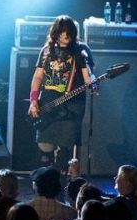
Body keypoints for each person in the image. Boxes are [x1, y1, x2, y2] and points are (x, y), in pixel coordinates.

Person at [27, 15, 98, 173]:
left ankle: (58, 183)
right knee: (44, 145)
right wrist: (33, 101)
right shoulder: (46, 50)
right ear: (56, 32)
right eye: (62, 31)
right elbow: (37, 76)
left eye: (69, 32)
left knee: (64, 149)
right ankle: (44, 181)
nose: (66, 35)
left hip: (71, 106)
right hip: (49, 103)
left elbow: (90, 76)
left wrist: (92, 82)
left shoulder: (81, 50)